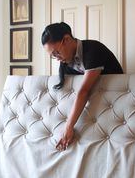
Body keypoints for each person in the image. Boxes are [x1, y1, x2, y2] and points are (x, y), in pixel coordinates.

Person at [41, 22, 124, 151]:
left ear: (67, 40)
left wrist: (68, 127)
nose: (57, 59)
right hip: (97, 106)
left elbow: (84, 91)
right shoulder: (66, 62)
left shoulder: (93, 49)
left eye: (57, 52)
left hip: (117, 99)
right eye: (53, 56)